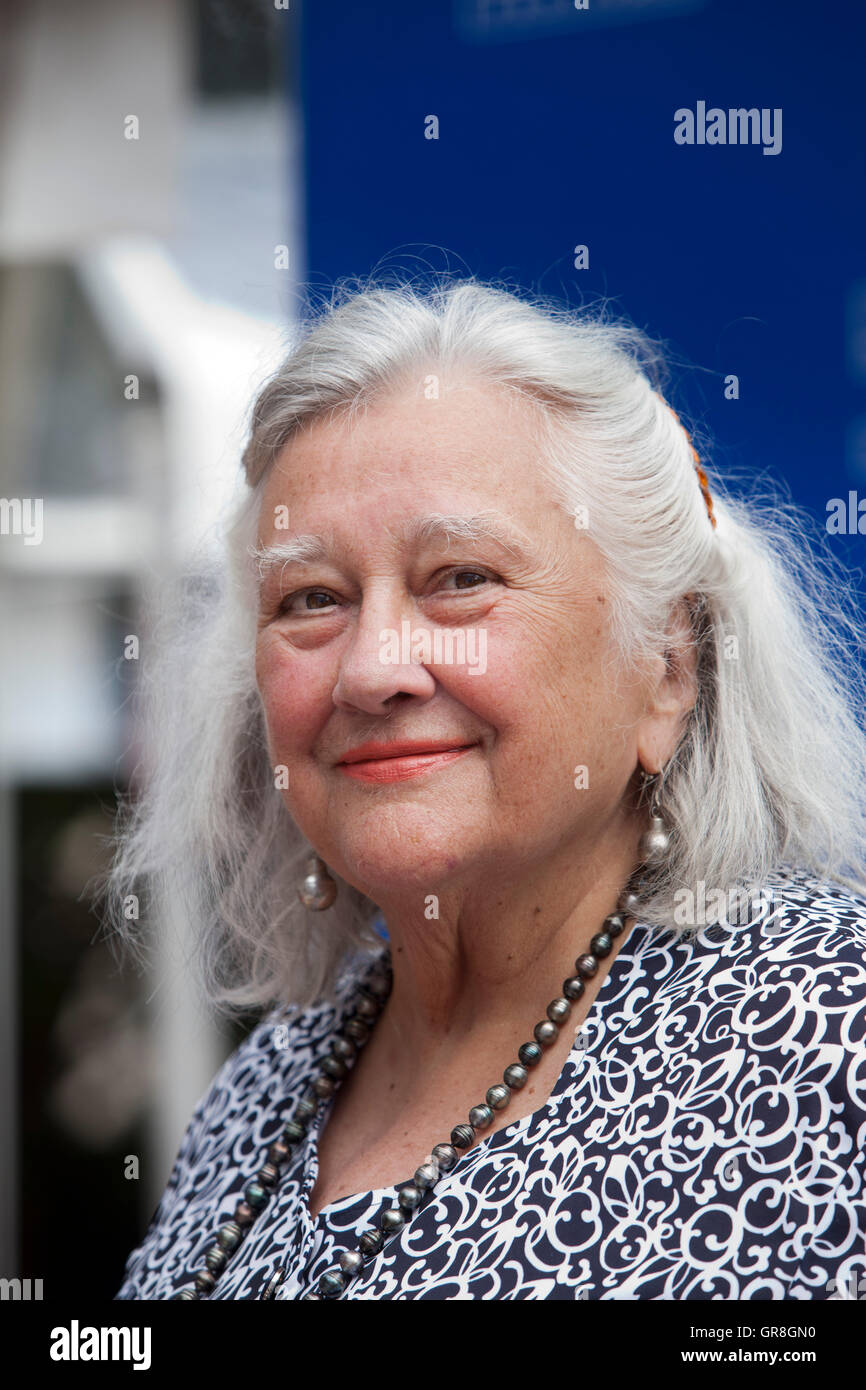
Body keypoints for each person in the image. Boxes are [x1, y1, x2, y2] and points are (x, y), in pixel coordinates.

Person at [108, 276, 866, 1300]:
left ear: (668, 664)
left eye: (459, 578)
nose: (373, 666)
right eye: (311, 598)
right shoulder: (268, 1086)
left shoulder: (825, 1035)